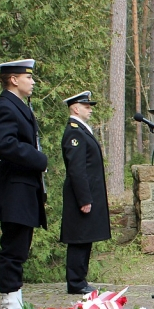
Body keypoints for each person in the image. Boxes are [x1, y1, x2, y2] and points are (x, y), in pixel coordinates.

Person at [0, 59, 47, 309]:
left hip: (23, 187)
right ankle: (10, 306)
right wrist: (38, 159)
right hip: (14, 187)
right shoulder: (6, 106)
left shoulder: (18, 106)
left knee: (20, 246)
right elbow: (1, 143)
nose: (32, 82)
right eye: (28, 77)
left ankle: (15, 300)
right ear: (14, 79)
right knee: (13, 248)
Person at [60, 91, 111, 295]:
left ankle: (80, 279)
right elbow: (77, 169)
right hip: (80, 196)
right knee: (79, 238)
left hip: (87, 194)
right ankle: (75, 281)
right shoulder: (74, 132)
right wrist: (84, 198)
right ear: (75, 108)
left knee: (85, 237)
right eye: (86, 106)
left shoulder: (82, 130)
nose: (90, 109)